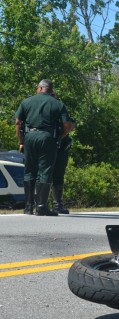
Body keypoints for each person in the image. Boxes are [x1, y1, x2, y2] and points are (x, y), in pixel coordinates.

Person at [15, 79, 74, 216]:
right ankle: (41, 206)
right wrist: (61, 135)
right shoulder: (57, 104)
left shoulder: (27, 101)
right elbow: (68, 124)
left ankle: (28, 207)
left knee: (29, 170)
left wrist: (21, 141)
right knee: (45, 170)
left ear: (40, 88)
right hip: (47, 137)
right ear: (51, 90)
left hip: (29, 137)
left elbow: (18, 123)